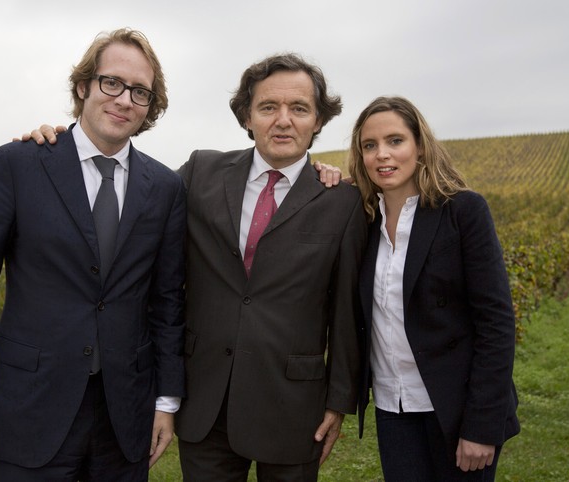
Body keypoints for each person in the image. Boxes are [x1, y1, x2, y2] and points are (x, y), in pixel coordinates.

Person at [26, 52, 366, 481]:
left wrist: (338, 401)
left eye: (299, 109)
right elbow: (134, 192)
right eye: (268, 107)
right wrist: (67, 146)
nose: (283, 120)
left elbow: (346, 312)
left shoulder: (342, 201)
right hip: (205, 403)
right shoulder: (201, 173)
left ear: (318, 120)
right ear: (247, 116)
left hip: (294, 406)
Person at [0, 28, 186, 480]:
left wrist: (166, 401)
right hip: (31, 405)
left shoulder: (165, 188)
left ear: (150, 107)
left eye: (140, 92)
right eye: (112, 82)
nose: (124, 99)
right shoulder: (19, 164)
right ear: (83, 86)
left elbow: (167, 302)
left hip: (125, 417)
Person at [348, 96, 520, 481]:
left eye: (395, 140)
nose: (382, 155)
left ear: (420, 146)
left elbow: (496, 322)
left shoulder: (463, 211)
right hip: (394, 408)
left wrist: (480, 426)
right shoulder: (362, 220)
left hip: (456, 407)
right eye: (369, 145)